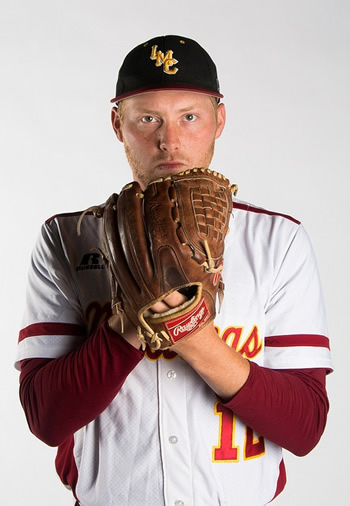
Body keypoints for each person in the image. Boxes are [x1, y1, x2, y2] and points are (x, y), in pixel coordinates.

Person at [16, 35, 333, 506]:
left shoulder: (277, 241)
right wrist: (129, 324)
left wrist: (189, 331)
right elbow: (47, 419)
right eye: (148, 118)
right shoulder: (67, 238)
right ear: (117, 124)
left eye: (190, 116)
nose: (170, 139)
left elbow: (305, 427)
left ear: (218, 120)